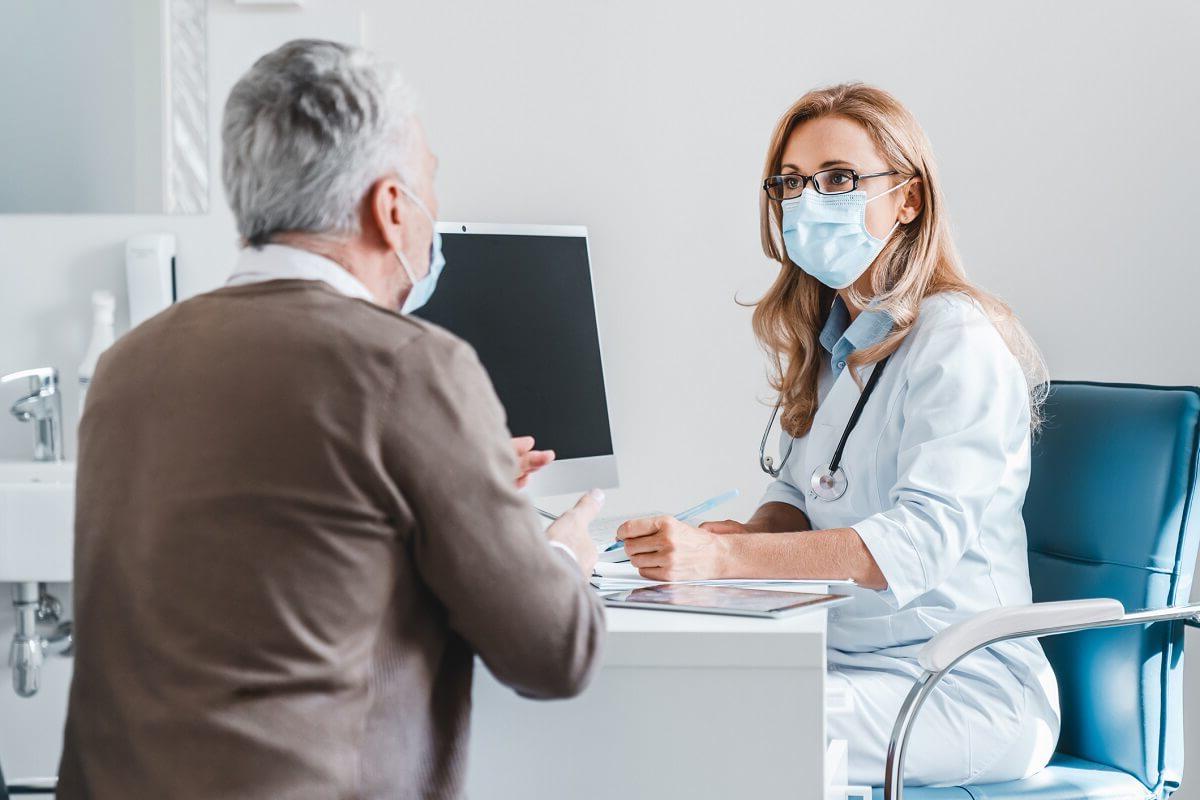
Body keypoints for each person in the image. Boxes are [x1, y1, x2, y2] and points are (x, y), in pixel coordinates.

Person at [57, 39, 605, 800]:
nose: (435, 214)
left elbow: (285, 557)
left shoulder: (126, 366)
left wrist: (458, 484)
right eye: (430, 186)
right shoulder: (413, 368)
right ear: (390, 207)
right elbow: (554, 653)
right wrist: (562, 551)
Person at [616, 83, 1060, 787]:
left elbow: (914, 544)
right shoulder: (841, 343)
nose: (809, 200)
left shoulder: (958, 340)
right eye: (792, 183)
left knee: (723, 724)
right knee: (664, 692)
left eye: (839, 179)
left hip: (958, 685)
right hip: (843, 658)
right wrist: (748, 536)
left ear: (908, 199)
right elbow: (799, 490)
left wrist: (719, 564)